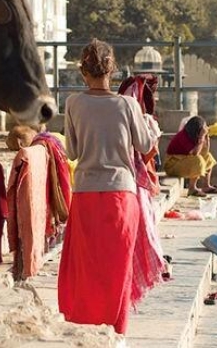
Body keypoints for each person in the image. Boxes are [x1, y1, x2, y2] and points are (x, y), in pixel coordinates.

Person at [58, 39, 159, 335]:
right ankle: (117, 331)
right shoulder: (127, 105)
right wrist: (150, 125)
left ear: (82, 71)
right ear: (112, 70)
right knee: (118, 268)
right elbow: (144, 145)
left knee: (86, 267)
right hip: (121, 195)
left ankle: (84, 325)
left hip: (86, 193)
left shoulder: (74, 103)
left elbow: (73, 152)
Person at [163, 115, 217, 197]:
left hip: (183, 160)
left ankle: (206, 185)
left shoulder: (195, 137)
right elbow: (195, 153)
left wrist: (207, 139)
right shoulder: (183, 136)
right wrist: (202, 137)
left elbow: (205, 152)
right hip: (172, 165)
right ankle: (192, 188)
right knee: (198, 161)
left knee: (208, 157)